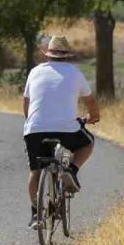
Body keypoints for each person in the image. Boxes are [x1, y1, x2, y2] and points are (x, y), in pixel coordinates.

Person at [23, 35, 100, 228]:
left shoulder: (35, 72)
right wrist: (94, 116)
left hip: (35, 129)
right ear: (67, 56)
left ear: (48, 55)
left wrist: (33, 122)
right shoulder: (74, 73)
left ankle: (36, 215)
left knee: (35, 171)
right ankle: (71, 171)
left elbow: (26, 103)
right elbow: (90, 102)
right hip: (66, 129)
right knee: (88, 142)